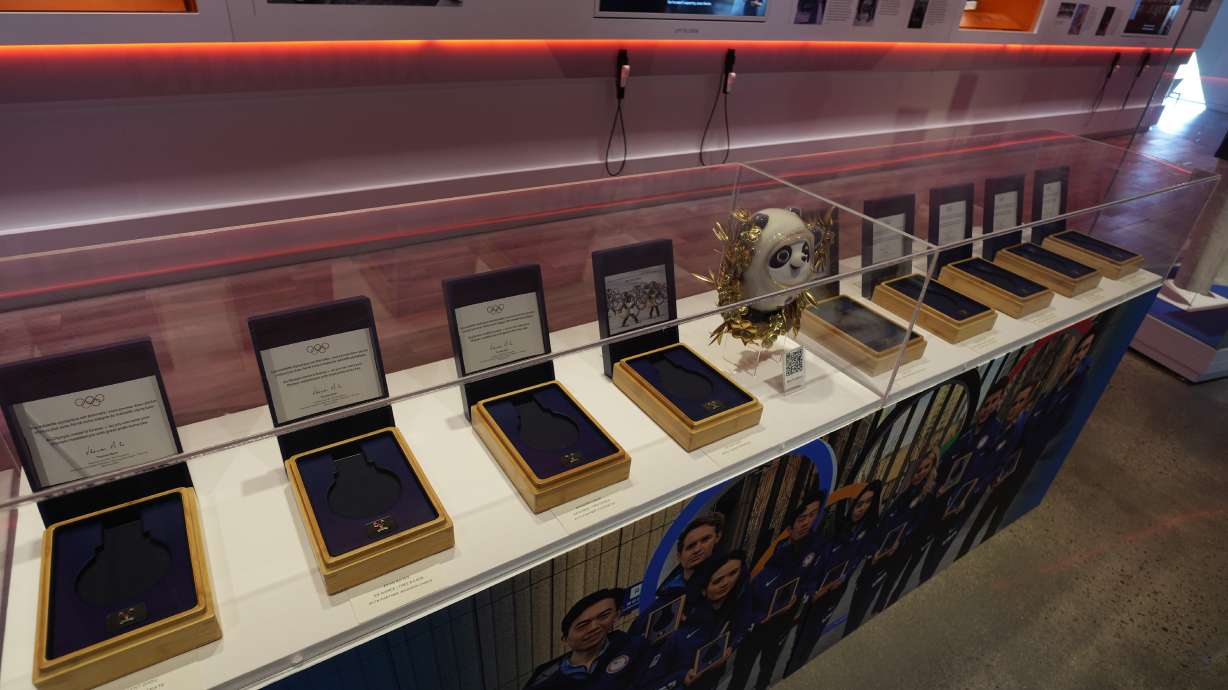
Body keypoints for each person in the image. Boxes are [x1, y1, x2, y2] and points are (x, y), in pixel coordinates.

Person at [916, 380, 1009, 583]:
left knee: (935, 555)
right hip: (942, 499)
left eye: (993, 401)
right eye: (986, 403)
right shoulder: (968, 432)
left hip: (959, 504)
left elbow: (987, 471)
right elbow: (949, 462)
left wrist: (965, 497)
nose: (987, 407)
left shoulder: (995, 432)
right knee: (922, 548)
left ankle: (925, 583)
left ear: (1000, 401)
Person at [729, 493, 825, 690]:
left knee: (768, 667)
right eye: (801, 519)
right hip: (759, 624)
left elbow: (810, 578)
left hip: (782, 621)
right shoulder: (778, 554)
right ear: (789, 528)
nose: (805, 523)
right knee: (741, 672)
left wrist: (799, 596)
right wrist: (755, 618)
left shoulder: (815, 546)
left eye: (811, 516)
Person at [644, 551, 752, 690]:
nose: (726, 583)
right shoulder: (680, 631)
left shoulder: (741, 605)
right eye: (717, 581)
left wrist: (732, 647)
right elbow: (652, 680)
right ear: (704, 590)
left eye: (733, 573)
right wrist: (683, 678)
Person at [956, 380, 1037, 559]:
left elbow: (1011, 455)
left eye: (1020, 403)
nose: (1014, 407)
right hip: (972, 485)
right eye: (1014, 402)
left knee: (985, 524)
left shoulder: (1017, 428)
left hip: (987, 485)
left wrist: (993, 477)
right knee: (974, 528)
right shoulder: (996, 427)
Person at [525, 589, 653, 690]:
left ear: (616, 616)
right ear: (565, 640)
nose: (594, 627)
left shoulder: (632, 646)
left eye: (603, 616)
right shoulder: (544, 677)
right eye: (582, 625)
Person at [880, 447, 940, 607]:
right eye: (920, 467)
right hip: (898, 536)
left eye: (927, 467)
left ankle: (888, 603)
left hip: (913, 539)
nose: (921, 472)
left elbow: (920, 520)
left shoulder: (929, 491)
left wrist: (902, 537)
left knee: (898, 575)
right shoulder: (910, 485)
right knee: (889, 575)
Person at [837, 480, 895, 636]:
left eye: (870, 502)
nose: (863, 508)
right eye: (860, 504)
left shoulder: (870, 524)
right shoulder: (841, 526)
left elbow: (868, 545)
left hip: (848, 577)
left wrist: (872, 552)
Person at [656, 513, 725, 602]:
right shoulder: (668, 593)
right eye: (691, 546)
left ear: (718, 537)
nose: (697, 549)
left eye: (705, 540)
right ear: (679, 556)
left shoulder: (729, 573)